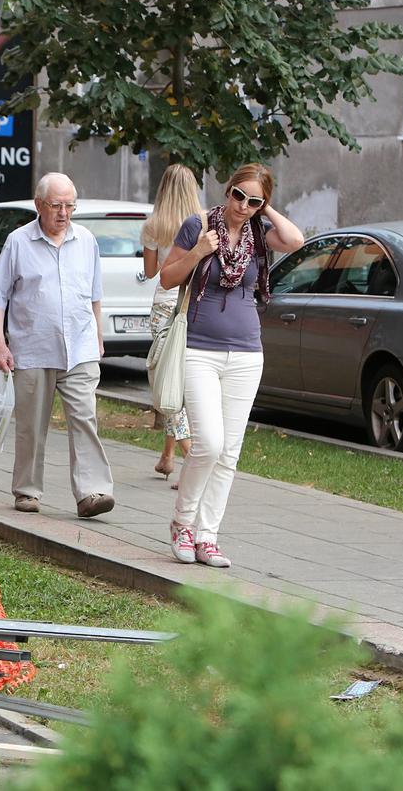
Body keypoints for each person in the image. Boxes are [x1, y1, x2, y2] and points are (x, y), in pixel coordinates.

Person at [159, 163, 303, 567]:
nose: (243, 205)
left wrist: (267, 209)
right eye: (239, 195)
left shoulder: (260, 233)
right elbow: (167, 278)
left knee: (230, 453)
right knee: (209, 445)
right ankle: (182, 524)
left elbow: (295, 240)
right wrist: (199, 252)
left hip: (246, 353)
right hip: (199, 349)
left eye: (253, 200)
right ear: (229, 190)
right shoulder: (198, 224)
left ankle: (208, 536)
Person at [0, 172, 115, 519]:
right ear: (40, 205)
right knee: (31, 425)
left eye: (70, 205)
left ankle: (92, 492)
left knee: (85, 418)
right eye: (57, 205)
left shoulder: (86, 241)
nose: (64, 213)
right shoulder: (18, 242)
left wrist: (97, 335)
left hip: (80, 349)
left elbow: (95, 295)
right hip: (33, 348)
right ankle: (27, 490)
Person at [140, 163, 200, 488]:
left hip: (165, 309)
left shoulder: (154, 226)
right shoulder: (203, 224)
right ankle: (167, 456)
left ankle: (192, 459)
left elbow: (152, 273)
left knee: (168, 380)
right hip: (195, 307)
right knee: (183, 380)